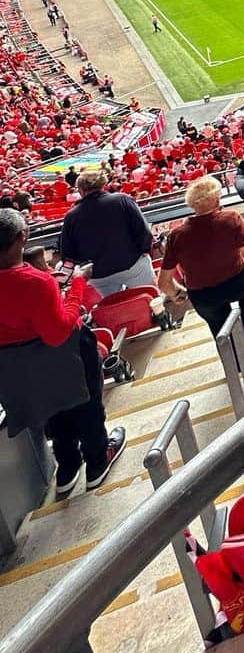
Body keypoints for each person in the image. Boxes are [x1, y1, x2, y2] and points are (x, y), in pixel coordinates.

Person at [0, 209, 125, 496]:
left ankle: (68, 467)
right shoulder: (35, 283)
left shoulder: (35, 281)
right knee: (88, 404)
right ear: (22, 236)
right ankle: (97, 460)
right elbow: (59, 332)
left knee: (50, 408)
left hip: (17, 367)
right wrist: (78, 284)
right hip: (63, 355)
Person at [157, 175, 244, 365]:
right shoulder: (231, 218)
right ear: (217, 199)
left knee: (218, 324)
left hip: (203, 296)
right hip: (238, 284)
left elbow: (163, 283)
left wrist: (178, 292)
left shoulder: (176, 235)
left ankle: (233, 361)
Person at [59, 170, 156, 296]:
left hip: (99, 275)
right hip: (133, 264)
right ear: (103, 185)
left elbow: (68, 254)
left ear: (81, 191)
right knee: (152, 298)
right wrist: (144, 250)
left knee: (115, 308)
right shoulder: (122, 199)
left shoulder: (71, 216)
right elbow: (143, 230)